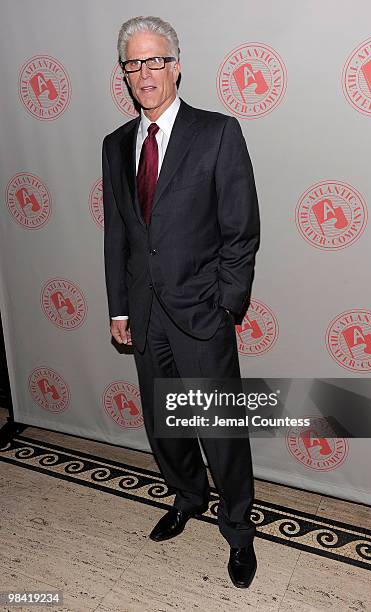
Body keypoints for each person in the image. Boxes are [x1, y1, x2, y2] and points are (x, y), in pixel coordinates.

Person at [102, 15, 260, 588]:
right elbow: (118, 234)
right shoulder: (116, 144)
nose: (144, 74)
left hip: (201, 316)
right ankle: (187, 497)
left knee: (220, 429)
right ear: (125, 73)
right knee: (166, 427)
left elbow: (241, 230)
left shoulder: (218, 132)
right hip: (145, 318)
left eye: (154, 61)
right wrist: (119, 308)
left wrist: (226, 305)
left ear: (175, 65)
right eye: (133, 64)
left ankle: (239, 531)